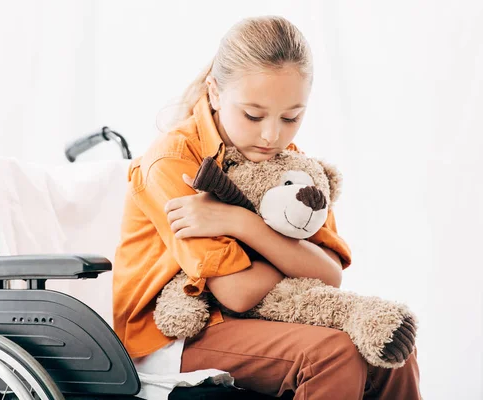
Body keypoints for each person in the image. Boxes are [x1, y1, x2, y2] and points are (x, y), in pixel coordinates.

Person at [113, 15, 421, 399]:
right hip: (176, 333)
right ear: (214, 93)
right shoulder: (172, 161)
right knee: (333, 353)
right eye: (253, 115)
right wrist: (291, 256)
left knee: (392, 353)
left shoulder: (293, 163)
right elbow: (236, 293)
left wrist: (242, 224)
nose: (272, 135)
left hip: (264, 316)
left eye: (291, 117)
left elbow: (328, 273)